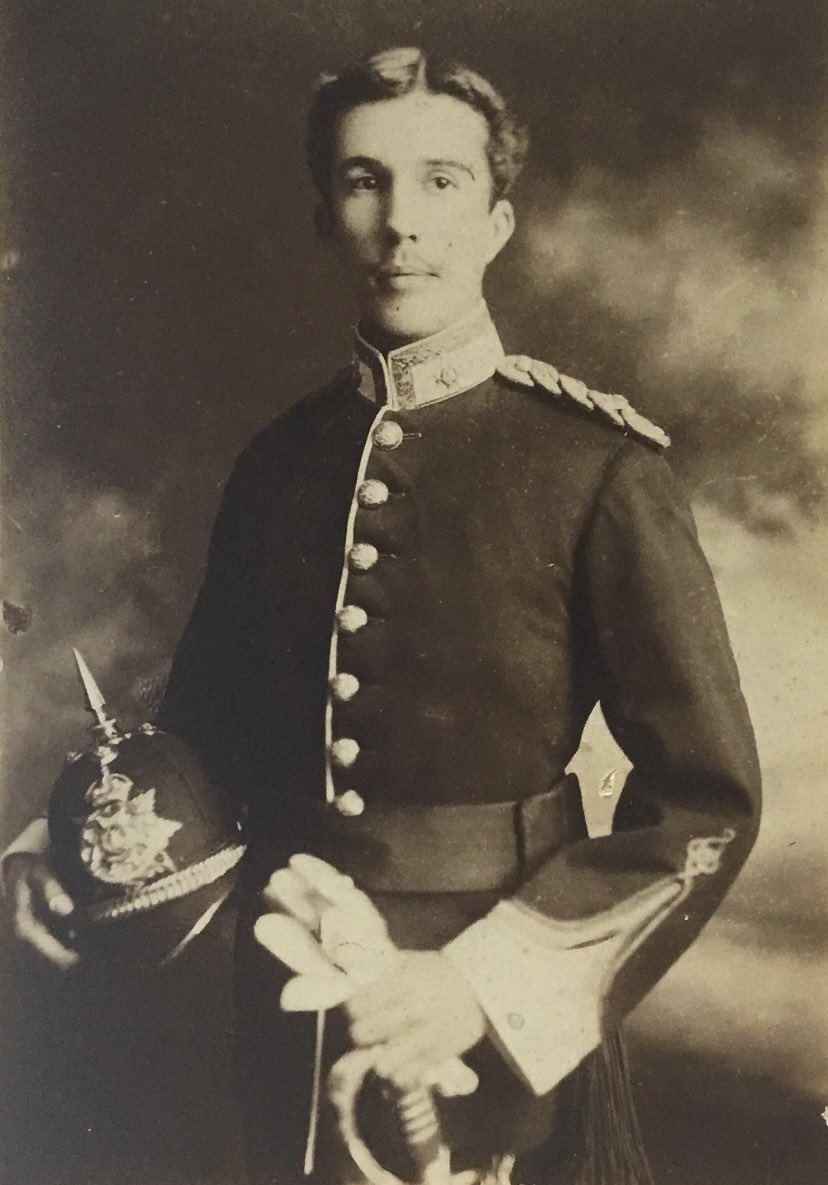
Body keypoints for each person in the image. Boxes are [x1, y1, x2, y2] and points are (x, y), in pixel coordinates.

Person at [4, 46, 761, 1185]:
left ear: (498, 220)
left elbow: (706, 800)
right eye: (366, 182)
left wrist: (484, 988)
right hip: (286, 1000)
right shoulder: (278, 467)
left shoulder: (596, 469)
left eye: (443, 181)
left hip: (487, 1025)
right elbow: (204, 734)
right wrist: (53, 844)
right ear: (326, 218)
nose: (403, 220)